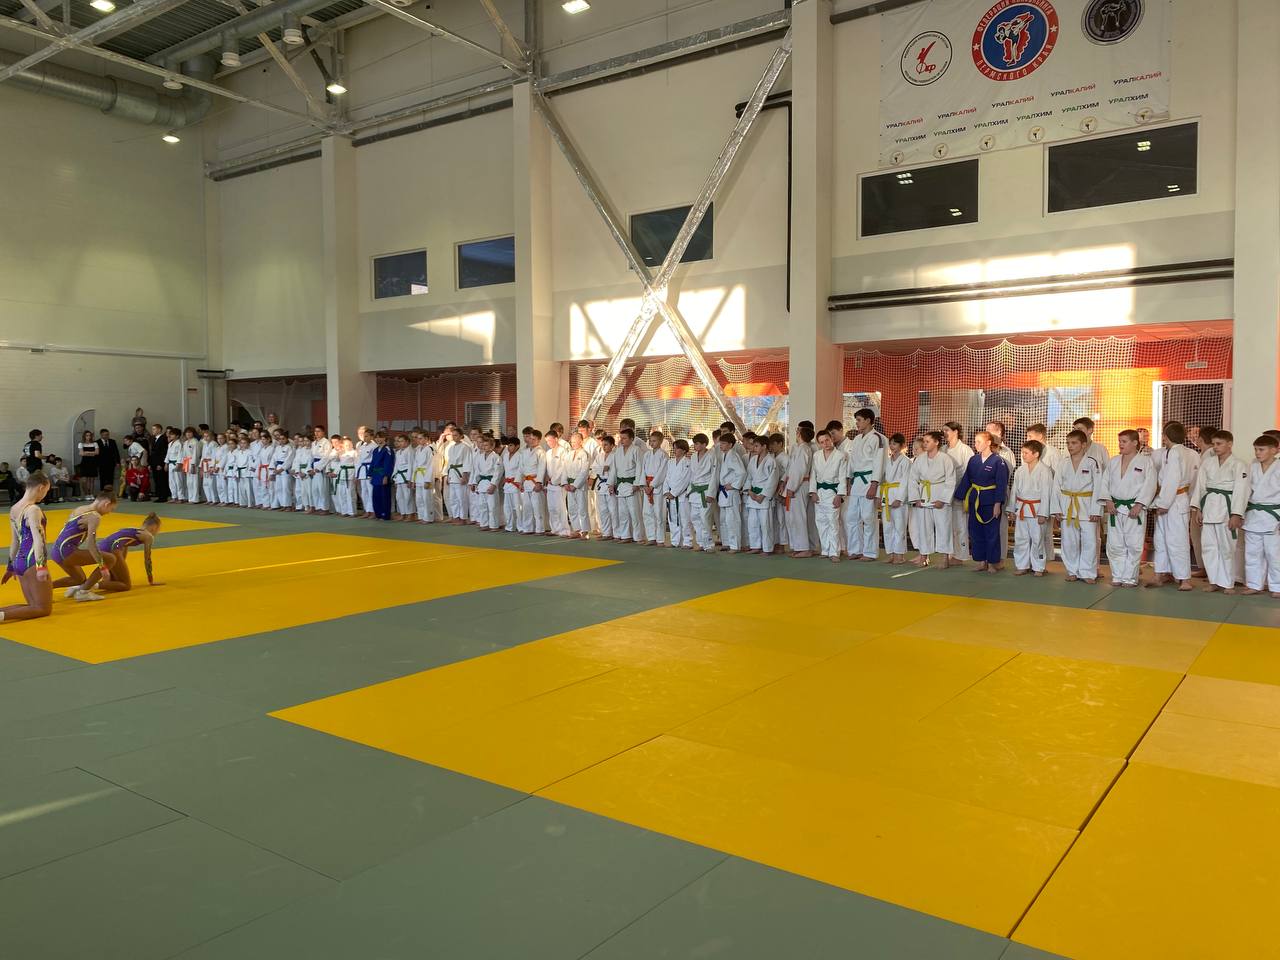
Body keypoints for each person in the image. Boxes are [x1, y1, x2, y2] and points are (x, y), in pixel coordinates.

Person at [1192, 430, 1249, 594]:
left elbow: (1242, 490)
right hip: (1209, 507)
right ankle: (1214, 581)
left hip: (1227, 509)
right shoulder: (1208, 463)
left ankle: (1228, 583)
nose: (1215, 447)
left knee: (1227, 547)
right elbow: (1200, 487)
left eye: (1219, 444)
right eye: (1214, 444)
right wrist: (1198, 508)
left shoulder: (1239, 464)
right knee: (1209, 547)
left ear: (1229, 444)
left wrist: (1236, 514)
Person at [1099, 430, 1157, 588]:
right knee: (1114, 544)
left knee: (1134, 544)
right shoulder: (1114, 461)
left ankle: (1130, 578)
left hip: (1134, 508)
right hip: (1115, 507)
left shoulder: (1146, 462)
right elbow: (1104, 482)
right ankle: (1117, 576)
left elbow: (1150, 485)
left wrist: (1140, 504)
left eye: (1124, 441)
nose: (1120, 444)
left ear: (1135, 443)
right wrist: (1108, 500)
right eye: (1120, 441)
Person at [1147, 421, 1198, 591]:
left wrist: (1163, 503)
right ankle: (1161, 573)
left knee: (1177, 540)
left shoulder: (1175, 453)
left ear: (1165, 436)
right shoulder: (1184, 453)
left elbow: (1172, 479)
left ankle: (1184, 579)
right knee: (1161, 539)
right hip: (1176, 498)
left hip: (1173, 500)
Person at [1052, 429, 1103, 583]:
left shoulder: (1092, 462)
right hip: (1067, 506)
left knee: (1090, 542)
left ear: (1083, 445)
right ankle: (1072, 570)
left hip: (1087, 507)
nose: (1070, 446)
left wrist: (1096, 510)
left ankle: (1087, 572)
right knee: (1069, 542)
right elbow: (1056, 487)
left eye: (1074, 443)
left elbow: (1099, 487)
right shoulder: (1063, 463)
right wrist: (1056, 508)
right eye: (1068, 443)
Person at [954, 431, 1009, 573]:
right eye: (975, 441)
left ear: (988, 443)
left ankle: (992, 563)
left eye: (979, 441)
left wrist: (998, 504)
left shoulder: (998, 461)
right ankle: (981, 561)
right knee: (975, 531)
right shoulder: (974, 460)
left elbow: (1001, 484)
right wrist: (958, 497)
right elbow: (966, 480)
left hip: (990, 501)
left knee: (992, 533)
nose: (976, 444)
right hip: (975, 500)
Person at [2, 471, 53, 622]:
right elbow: (38, 539)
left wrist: (10, 567)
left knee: (32, 606)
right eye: (46, 491)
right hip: (32, 561)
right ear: (41, 487)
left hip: (19, 561)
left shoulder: (14, 508)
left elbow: (15, 541)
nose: (45, 495)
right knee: (43, 609)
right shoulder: (33, 509)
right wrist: (41, 566)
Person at [50, 490, 116, 600]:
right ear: (106, 504)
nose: (109, 512)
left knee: (79, 579)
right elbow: (91, 544)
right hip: (66, 551)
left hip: (56, 550)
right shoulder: (95, 516)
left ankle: (45, 588)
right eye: (111, 509)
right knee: (110, 559)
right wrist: (103, 567)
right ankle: (83, 592)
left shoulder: (80, 509)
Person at [908, 430, 958, 568]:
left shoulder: (946, 459)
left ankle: (945, 557)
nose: (924, 444)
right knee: (923, 527)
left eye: (927, 441)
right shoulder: (920, 459)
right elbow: (912, 479)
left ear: (936, 442)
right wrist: (916, 498)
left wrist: (943, 499)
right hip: (924, 495)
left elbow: (951, 481)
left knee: (943, 527)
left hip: (940, 496)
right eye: (924, 441)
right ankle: (924, 556)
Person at [843, 410, 884, 562]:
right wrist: (848, 481)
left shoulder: (877, 438)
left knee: (868, 517)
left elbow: (879, 463)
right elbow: (851, 462)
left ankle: (870, 552)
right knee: (851, 517)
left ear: (868, 420)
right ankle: (855, 550)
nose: (857, 423)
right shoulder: (857, 438)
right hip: (856, 482)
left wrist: (874, 484)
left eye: (859, 420)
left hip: (869, 480)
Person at [1242, 435, 1280, 597]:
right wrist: (1239, 512)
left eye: (1261, 449)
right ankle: (1254, 584)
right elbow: (1245, 490)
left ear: (1274, 450)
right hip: (1253, 515)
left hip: (1274, 516)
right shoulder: (1252, 465)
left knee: (1274, 554)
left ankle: (1277, 587)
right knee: (1252, 553)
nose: (1257, 453)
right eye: (1256, 449)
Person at [1011, 440, 1053, 576]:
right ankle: (1022, 565)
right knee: (1020, 539)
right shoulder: (1020, 470)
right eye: (1022, 453)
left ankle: (1039, 567)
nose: (1023, 455)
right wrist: (1012, 509)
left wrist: (1043, 513)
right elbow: (1014, 491)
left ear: (1036, 454)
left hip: (1037, 509)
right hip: (1022, 508)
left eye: (1026, 453)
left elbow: (1047, 493)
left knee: (1037, 539)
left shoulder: (1045, 470)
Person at [95, 514, 163, 593]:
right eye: (158, 529)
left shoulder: (130, 529)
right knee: (126, 585)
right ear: (154, 527)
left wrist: (121, 564)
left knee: (114, 580)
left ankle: (89, 584)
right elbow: (147, 560)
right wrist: (150, 579)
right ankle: (89, 586)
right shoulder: (148, 536)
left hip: (100, 547)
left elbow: (123, 544)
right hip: (112, 548)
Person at [808, 430, 847, 562]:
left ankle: (835, 552)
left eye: (827, 440)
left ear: (831, 439)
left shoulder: (840, 456)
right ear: (819, 444)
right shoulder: (817, 455)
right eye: (822, 442)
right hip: (819, 492)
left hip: (832, 492)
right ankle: (825, 550)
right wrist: (813, 492)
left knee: (833, 522)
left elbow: (842, 477)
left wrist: (839, 495)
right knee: (820, 522)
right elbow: (813, 475)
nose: (825, 444)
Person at [942, 422, 974, 563]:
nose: (944, 433)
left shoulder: (965, 450)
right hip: (945, 492)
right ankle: (950, 552)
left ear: (955, 432)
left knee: (960, 525)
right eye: (943, 430)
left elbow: (970, 472)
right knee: (947, 525)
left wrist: (963, 492)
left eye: (947, 430)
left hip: (960, 491)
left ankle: (960, 556)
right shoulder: (942, 449)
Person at [782, 424, 814, 558]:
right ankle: (797, 547)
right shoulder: (799, 448)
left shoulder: (804, 449)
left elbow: (799, 471)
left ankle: (804, 548)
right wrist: (785, 482)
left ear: (799, 434)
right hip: (795, 484)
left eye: (797, 431)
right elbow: (791, 469)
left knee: (798, 517)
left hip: (799, 486)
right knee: (793, 517)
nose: (796, 433)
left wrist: (791, 487)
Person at [744, 435, 777, 555]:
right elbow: (749, 477)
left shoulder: (771, 461)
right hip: (753, 495)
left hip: (764, 497)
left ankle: (767, 548)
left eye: (756, 446)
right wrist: (749, 491)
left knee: (765, 524)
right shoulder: (753, 460)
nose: (754, 448)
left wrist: (763, 495)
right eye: (754, 445)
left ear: (764, 446)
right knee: (752, 523)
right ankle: (755, 546)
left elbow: (772, 481)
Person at [881, 433, 910, 564]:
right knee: (887, 527)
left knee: (899, 526)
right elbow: (882, 479)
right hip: (887, 494)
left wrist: (900, 498)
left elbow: (905, 481)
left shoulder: (906, 461)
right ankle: (891, 553)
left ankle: (900, 555)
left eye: (895, 443)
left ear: (902, 445)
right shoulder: (887, 460)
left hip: (899, 495)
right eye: (891, 443)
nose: (892, 446)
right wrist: (879, 496)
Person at [611, 428, 644, 544]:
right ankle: (625, 535)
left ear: (631, 439)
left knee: (635, 513)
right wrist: (611, 483)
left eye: (624, 438)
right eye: (621, 438)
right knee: (623, 513)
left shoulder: (636, 450)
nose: (622, 440)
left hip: (631, 484)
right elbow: (614, 468)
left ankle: (639, 537)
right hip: (621, 485)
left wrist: (637, 483)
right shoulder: (618, 451)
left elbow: (640, 467)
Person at [717, 432, 748, 554]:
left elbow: (742, 472)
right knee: (723, 519)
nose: (721, 445)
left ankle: (735, 545)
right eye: (721, 443)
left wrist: (734, 485)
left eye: (724, 443)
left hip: (731, 492)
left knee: (732, 519)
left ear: (730, 445)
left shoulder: (733, 456)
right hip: (724, 491)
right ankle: (726, 543)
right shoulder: (724, 455)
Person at [688, 433, 719, 552]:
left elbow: (714, 475)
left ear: (704, 444)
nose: (695, 446)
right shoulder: (693, 456)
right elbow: (691, 475)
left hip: (706, 491)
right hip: (695, 491)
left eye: (697, 444)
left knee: (705, 518)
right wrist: (689, 490)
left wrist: (711, 493)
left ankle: (709, 544)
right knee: (695, 517)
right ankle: (701, 543)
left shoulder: (712, 456)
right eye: (694, 444)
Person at [641, 431, 669, 546]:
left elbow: (662, 472)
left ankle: (660, 539)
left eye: (654, 441)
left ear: (661, 441)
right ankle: (651, 537)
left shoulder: (664, 455)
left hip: (657, 487)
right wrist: (644, 485)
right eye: (650, 441)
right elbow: (642, 470)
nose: (652, 443)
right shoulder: (647, 455)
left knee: (659, 513)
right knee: (647, 513)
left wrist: (652, 485)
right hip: (647, 486)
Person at [518, 428, 546, 534]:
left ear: (539, 440)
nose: (531, 441)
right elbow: (521, 468)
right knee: (526, 507)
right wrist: (519, 482)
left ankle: (540, 529)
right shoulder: (524, 452)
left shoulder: (541, 452)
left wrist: (539, 482)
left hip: (535, 481)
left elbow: (542, 468)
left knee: (537, 507)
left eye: (534, 439)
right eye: (530, 438)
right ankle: (528, 528)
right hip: (526, 482)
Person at [563, 431, 590, 539]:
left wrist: (575, 485)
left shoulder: (584, 454)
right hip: (569, 484)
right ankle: (576, 529)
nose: (573, 444)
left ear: (581, 441)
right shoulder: (569, 454)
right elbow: (564, 469)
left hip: (580, 485)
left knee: (582, 508)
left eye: (575, 441)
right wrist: (565, 483)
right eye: (572, 442)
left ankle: (585, 531)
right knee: (572, 508)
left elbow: (584, 471)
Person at [368, 431, 394, 521]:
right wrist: (370, 474)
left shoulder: (387, 449)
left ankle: (385, 515)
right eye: (376, 437)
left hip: (383, 475)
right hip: (376, 475)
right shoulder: (375, 450)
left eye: (380, 437)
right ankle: (378, 514)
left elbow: (388, 463)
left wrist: (386, 476)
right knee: (376, 495)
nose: (378, 439)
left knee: (384, 496)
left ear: (384, 438)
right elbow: (372, 463)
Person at [410, 430, 436, 524]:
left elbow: (431, 465)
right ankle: (421, 516)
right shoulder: (418, 450)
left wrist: (427, 480)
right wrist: (413, 480)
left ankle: (428, 518)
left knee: (427, 498)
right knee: (419, 498)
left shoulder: (429, 449)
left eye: (421, 438)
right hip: (418, 476)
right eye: (418, 438)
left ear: (426, 439)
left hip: (426, 476)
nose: (418, 440)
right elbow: (415, 465)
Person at [149, 424, 169, 502]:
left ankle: (163, 496)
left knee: (161, 480)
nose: (152, 431)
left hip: (159, 464)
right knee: (157, 480)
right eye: (152, 429)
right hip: (154, 463)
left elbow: (164, 453)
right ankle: (159, 495)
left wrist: (161, 464)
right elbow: (153, 453)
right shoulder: (154, 439)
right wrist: (150, 463)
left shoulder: (163, 439)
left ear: (159, 430)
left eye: (154, 429)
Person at [96, 429, 121, 494]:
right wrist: (96, 464)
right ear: (101, 435)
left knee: (110, 478)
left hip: (111, 463)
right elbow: (96, 455)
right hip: (101, 464)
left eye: (107, 435)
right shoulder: (97, 442)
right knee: (102, 478)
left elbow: (116, 452)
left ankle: (110, 492)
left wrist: (118, 462)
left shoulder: (112, 441)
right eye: (104, 435)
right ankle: (102, 492)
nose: (106, 436)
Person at [76, 429, 99, 499]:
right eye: (87, 435)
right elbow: (81, 453)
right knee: (84, 480)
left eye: (89, 435)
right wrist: (92, 453)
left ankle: (91, 494)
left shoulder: (95, 443)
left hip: (93, 462)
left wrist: (86, 452)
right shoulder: (81, 444)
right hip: (85, 463)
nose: (88, 437)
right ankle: (86, 494)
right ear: (84, 436)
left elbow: (97, 453)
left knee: (91, 480)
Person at [165, 428, 185, 503]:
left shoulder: (179, 444)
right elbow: (168, 454)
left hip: (177, 464)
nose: (170, 435)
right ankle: (174, 497)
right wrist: (166, 463)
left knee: (178, 481)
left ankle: (181, 498)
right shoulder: (170, 444)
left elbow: (180, 455)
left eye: (172, 434)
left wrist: (179, 464)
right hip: (170, 464)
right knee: (171, 481)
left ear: (177, 436)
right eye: (170, 434)